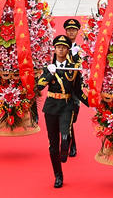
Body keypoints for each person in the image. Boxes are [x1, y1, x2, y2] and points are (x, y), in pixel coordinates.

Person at [36, 35, 84, 189]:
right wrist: (50, 73)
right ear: (55, 49)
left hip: (66, 105)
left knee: (65, 134)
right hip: (51, 106)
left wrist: (92, 103)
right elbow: (39, 86)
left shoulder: (73, 68)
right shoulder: (48, 67)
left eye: (64, 47)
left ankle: (66, 146)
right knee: (53, 145)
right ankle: (58, 174)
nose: (61, 49)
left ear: (67, 50)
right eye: (58, 47)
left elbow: (78, 90)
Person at [62, 18, 83, 157]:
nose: (71, 32)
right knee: (66, 118)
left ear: (77, 32)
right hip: (63, 89)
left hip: (76, 90)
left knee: (73, 118)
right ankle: (71, 145)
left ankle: (71, 142)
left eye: (73, 30)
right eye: (69, 30)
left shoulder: (81, 50)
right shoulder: (60, 48)